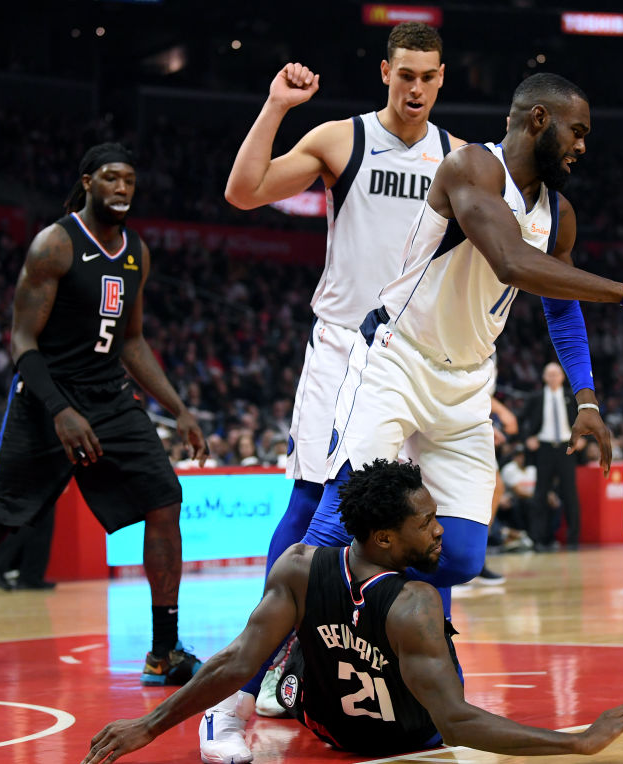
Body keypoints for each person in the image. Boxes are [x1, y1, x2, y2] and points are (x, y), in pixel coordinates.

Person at [302, 73, 623, 616]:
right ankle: (260, 678)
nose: (583, 146)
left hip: (466, 382)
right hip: (395, 360)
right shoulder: (473, 168)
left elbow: (561, 309)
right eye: (576, 131)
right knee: (335, 522)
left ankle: (387, 638)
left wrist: (586, 398)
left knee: (458, 555)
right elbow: (511, 261)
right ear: (539, 119)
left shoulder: (560, 216)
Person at [0, 142, 209, 702]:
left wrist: (178, 408)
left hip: (109, 398)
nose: (122, 188)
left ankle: (163, 651)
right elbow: (22, 342)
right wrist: (61, 411)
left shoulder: (136, 253)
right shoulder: (55, 244)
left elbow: (131, 341)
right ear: (87, 183)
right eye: (110, 178)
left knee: (165, 498)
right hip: (45, 399)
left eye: (129, 179)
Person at [81, 459, 623, 764]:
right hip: (409, 741)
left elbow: (233, 664)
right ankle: (294, 676)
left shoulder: (299, 567)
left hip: (329, 729)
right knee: (442, 683)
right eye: (427, 524)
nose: (439, 533)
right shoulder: (417, 603)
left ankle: (289, 679)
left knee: (287, 642)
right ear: (384, 538)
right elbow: (457, 724)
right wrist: (577, 741)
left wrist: (146, 727)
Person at [224, 21, 465, 710]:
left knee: (426, 518)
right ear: (385, 72)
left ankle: (429, 673)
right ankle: (260, 670)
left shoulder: (460, 158)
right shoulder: (344, 138)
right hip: (342, 346)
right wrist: (276, 107)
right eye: (404, 74)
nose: (415, 87)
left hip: (419, 358)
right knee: (309, 501)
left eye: (427, 76)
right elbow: (245, 192)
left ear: (442, 78)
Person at [520, 362, 584, 550]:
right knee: (540, 494)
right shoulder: (536, 397)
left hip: (567, 447)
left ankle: (573, 540)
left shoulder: (571, 397)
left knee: (570, 494)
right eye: (549, 374)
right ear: (544, 377)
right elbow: (520, 418)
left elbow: (585, 418)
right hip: (544, 447)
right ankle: (538, 539)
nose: (553, 377)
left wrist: (583, 439)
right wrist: (527, 439)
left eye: (556, 374)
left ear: (562, 377)